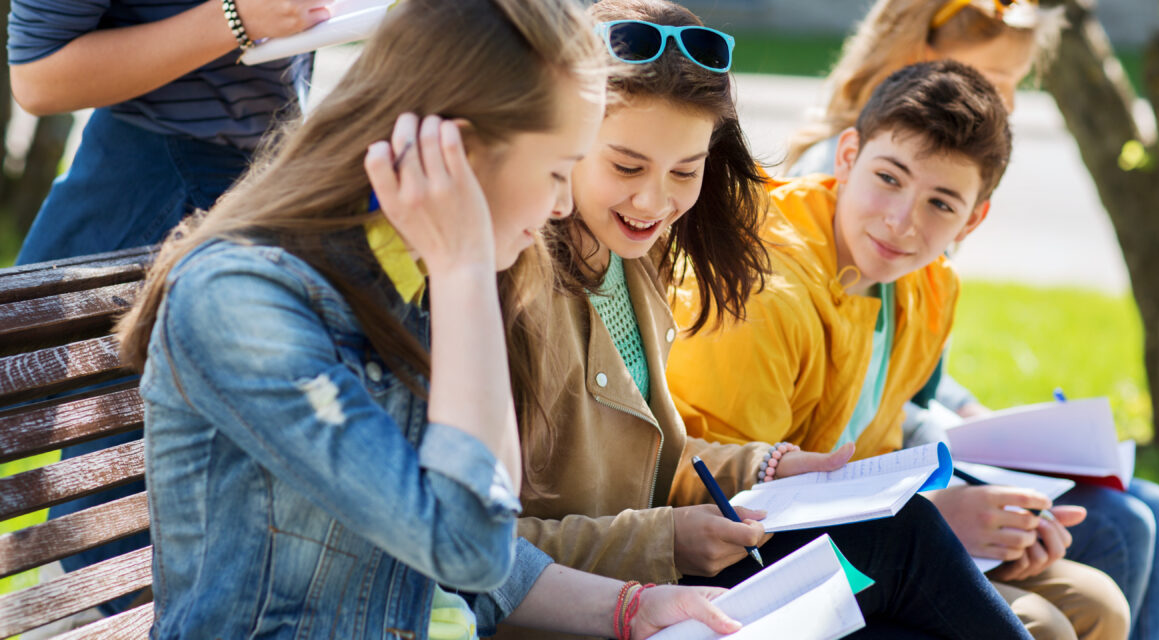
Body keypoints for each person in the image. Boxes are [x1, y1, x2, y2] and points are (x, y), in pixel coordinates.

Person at [111, 1, 744, 637]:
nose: (559, 204)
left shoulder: (424, 273)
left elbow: (486, 547)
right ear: (456, 151)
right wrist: (464, 271)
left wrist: (631, 609)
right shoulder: (244, 303)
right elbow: (469, 543)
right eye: (555, 170)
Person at [481, 2, 1036, 638]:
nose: (654, 200)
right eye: (626, 167)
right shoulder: (514, 283)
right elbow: (484, 548)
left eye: (685, 171)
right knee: (905, 539)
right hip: (592, 610)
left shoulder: (633, 256)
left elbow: (648, 459)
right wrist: (667, 539)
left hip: (649, 581)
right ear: (566, 137)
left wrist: (766, 468)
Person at [666, 56, 1131, 640]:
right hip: (754, 569)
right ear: (848, 156)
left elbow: (875, 454)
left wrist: (993, 519)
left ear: (973, 219)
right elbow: (731, 504)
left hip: (866, 536)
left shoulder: (930, 285)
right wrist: (938, 522)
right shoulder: (763, 295)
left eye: (941, 203)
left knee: (1098, 603)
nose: (902, 223)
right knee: (1045, 624)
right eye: (888, 178)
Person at [785, 2, 1159, 638]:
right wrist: (953, 467)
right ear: (922, 65)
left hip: (896, 473)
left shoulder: (918, 237)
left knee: (1147, 506)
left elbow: (898, 380)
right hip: (861, 500)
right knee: (1117, 527)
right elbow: (844, 415)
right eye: (994, 81)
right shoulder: (852, 207)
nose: (1009, 104)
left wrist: (982, 425)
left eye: (1015, 84)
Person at [6, 0, 329, 602]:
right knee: (117, 523)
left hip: (262, 178)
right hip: (157, 182)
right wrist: (237, 19)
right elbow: (37, 74)